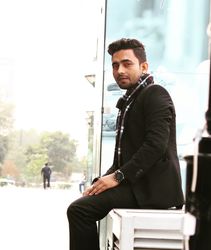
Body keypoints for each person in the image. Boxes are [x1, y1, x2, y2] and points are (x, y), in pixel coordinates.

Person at [67, 38, 184, 250]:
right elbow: (122, 158)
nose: (119, 70)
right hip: (137, 186)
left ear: (144, 66)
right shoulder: (129, 102)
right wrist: (101, 181)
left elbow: (155, 146)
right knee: (85, 201)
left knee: (79, 210)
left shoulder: (156, 94)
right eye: (115, 65)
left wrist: (118, 176)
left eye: (127, 63)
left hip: (153, 190)